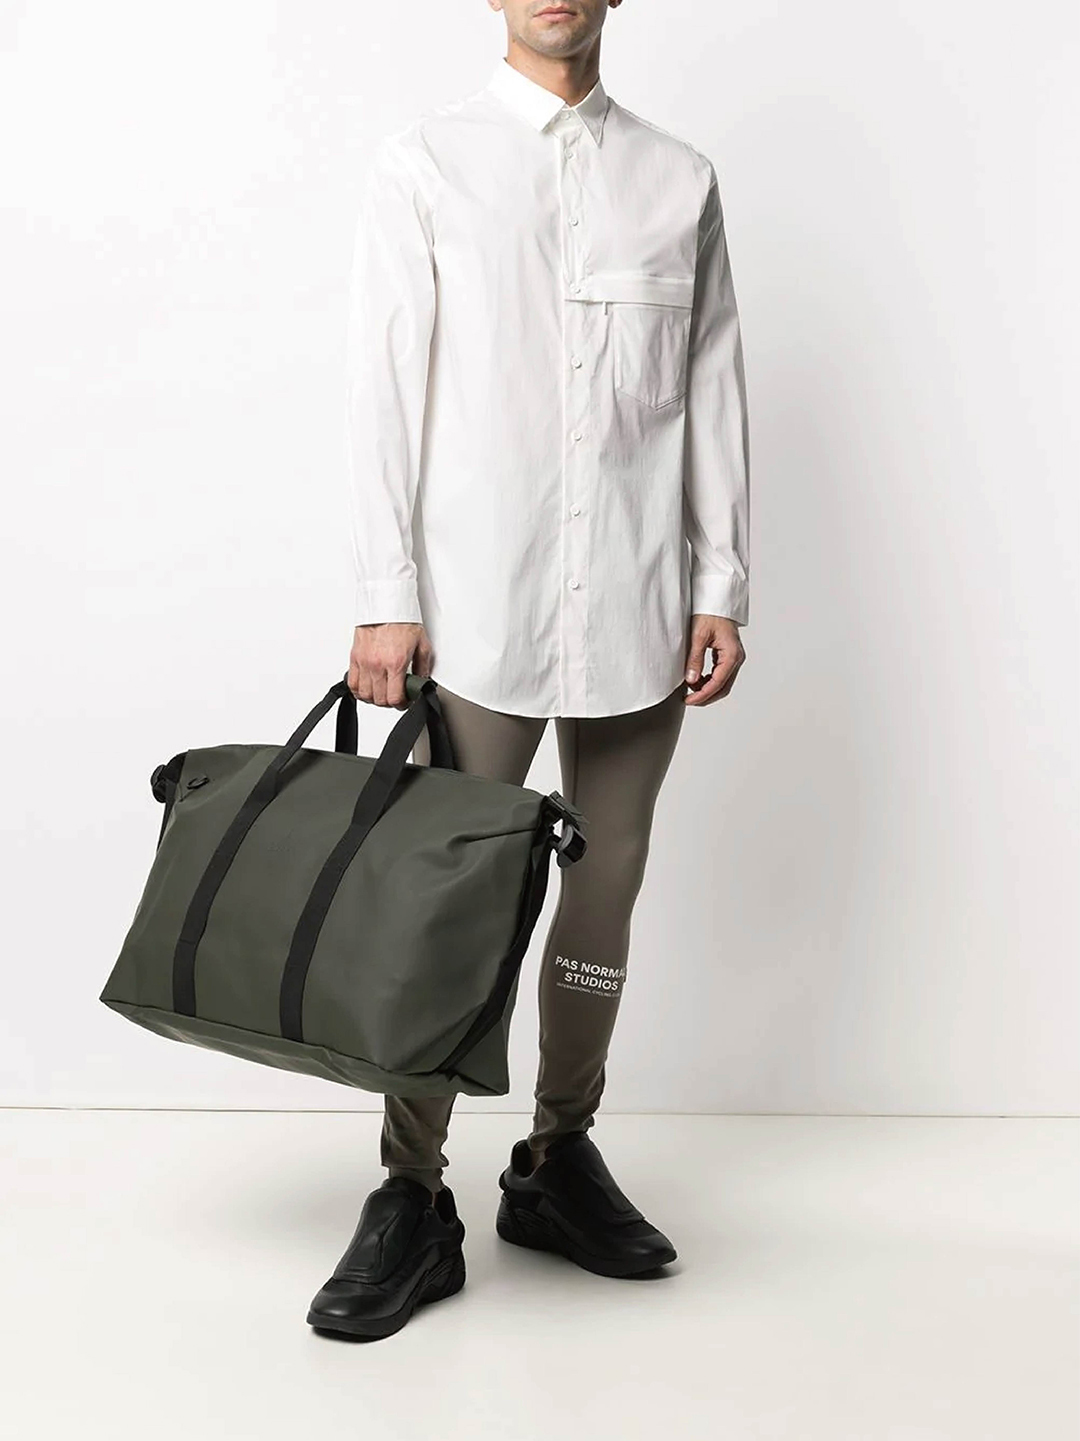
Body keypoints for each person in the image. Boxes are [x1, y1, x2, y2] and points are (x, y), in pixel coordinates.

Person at [308, 0, 749, 1340]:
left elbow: (713, 383)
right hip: (475, 608)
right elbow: (383, 389)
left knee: (604, 888)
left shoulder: (679, 179)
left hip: (637, 600)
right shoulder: (426, 164)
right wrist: (385, 597)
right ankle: (409, 1189)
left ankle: (558, 1157)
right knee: (448, 903)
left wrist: (720, 580)